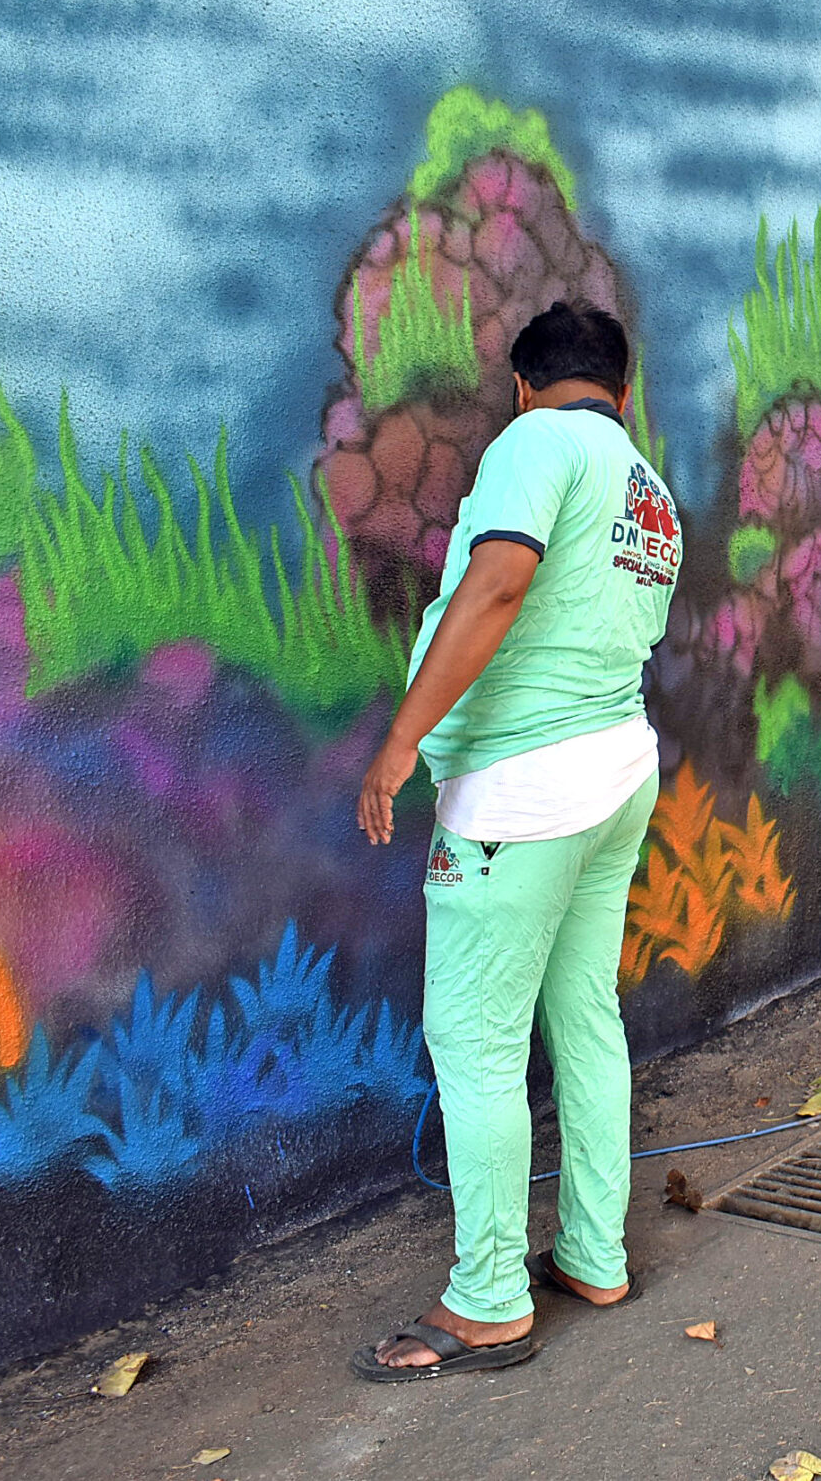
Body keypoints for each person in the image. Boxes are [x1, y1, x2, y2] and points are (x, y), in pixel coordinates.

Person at [350, 302, 680, 1380]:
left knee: (477, 1040)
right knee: (583, 1012)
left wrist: (401, 743)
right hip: (616, 770)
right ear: (620, 393)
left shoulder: (533, 443)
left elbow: (499, 581)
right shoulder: (647, 489)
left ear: (524, 385)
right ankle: (593, 1252)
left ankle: (490, 1298)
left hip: (522, 796)